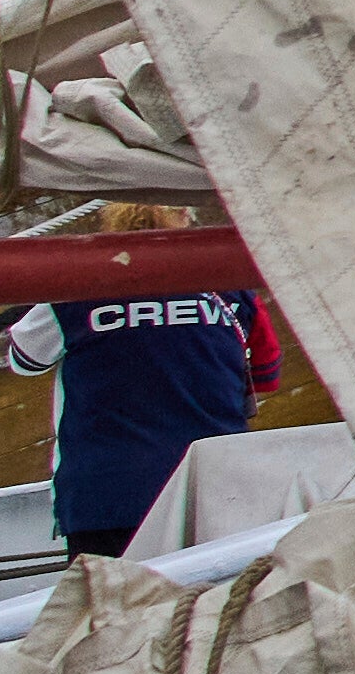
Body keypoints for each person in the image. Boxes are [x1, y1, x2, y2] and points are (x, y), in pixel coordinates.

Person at [15, 206, 286, 558]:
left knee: (114, 608)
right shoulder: (231, 289)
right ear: (185, 219)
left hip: (108, 498)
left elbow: (24, 359)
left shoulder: (73, 289)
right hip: (215, 491)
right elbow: (265, 374)